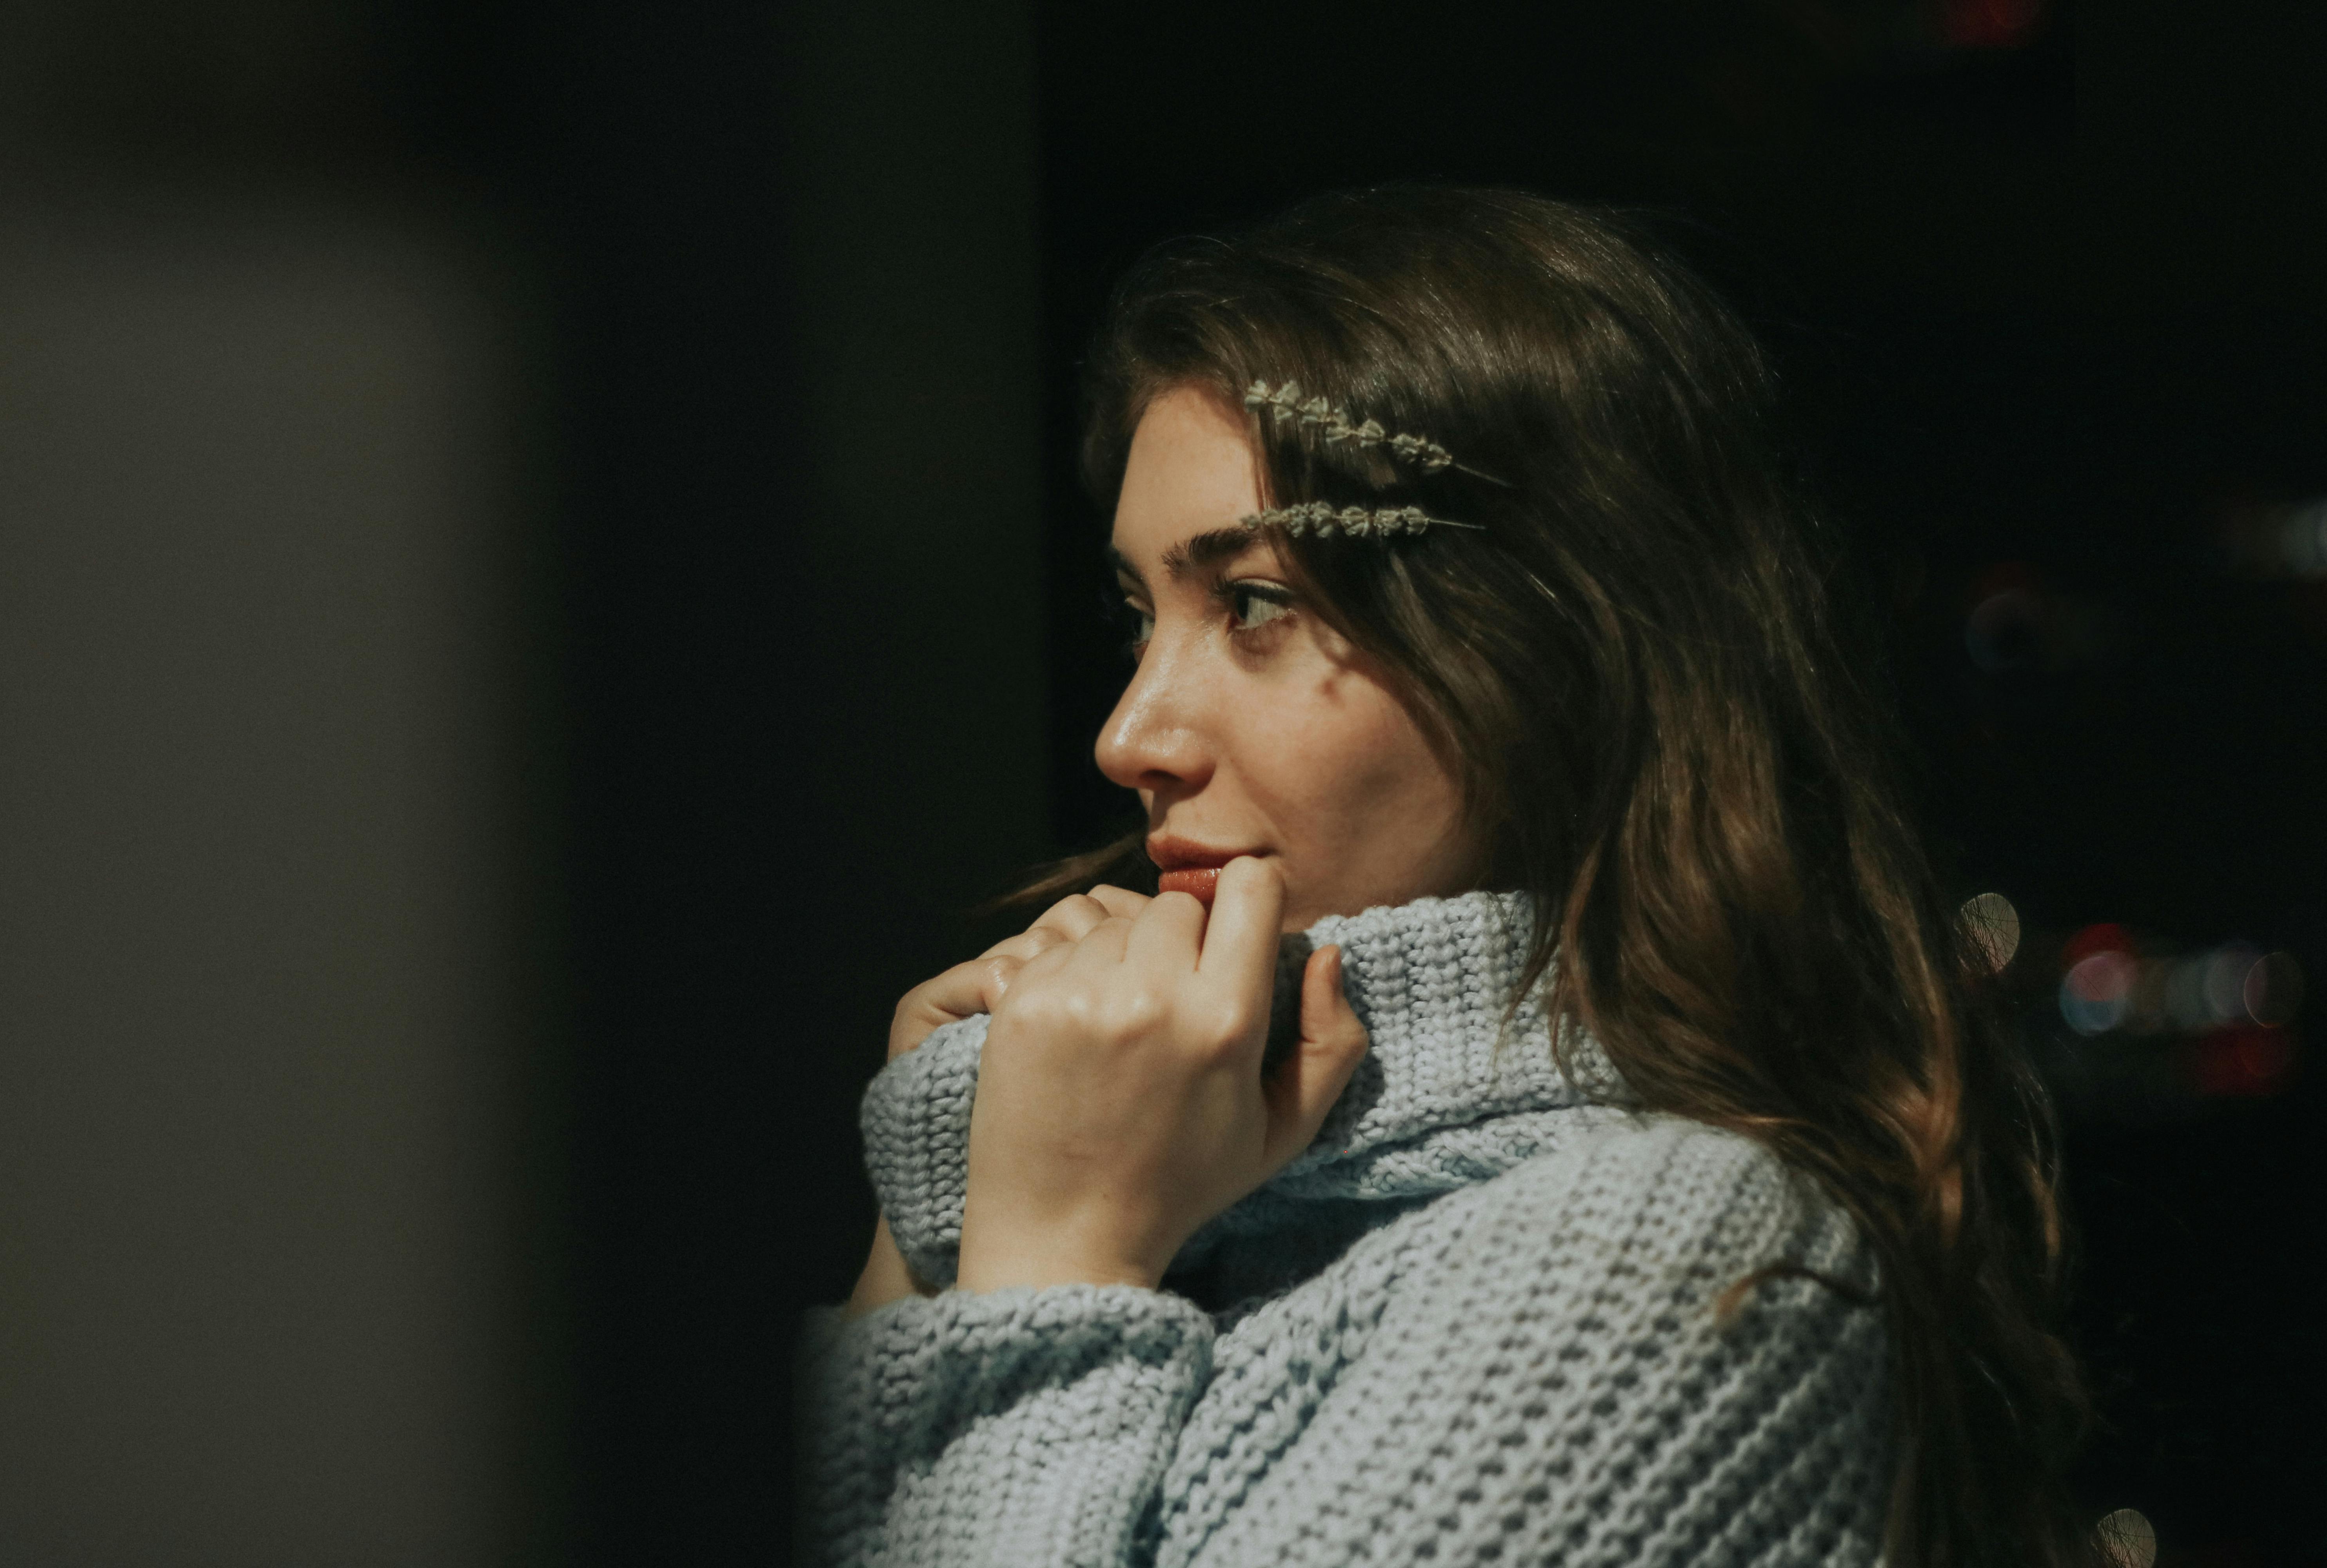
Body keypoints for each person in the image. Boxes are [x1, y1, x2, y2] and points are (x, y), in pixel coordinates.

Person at [801, 186, 2089, 1568]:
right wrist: (933, 1215)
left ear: (1551, 656)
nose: (1131, 740)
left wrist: (1049, 1266)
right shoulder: (1178, 1176)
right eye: (1139, 615)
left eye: (1254, 606)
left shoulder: (1667, 1257)